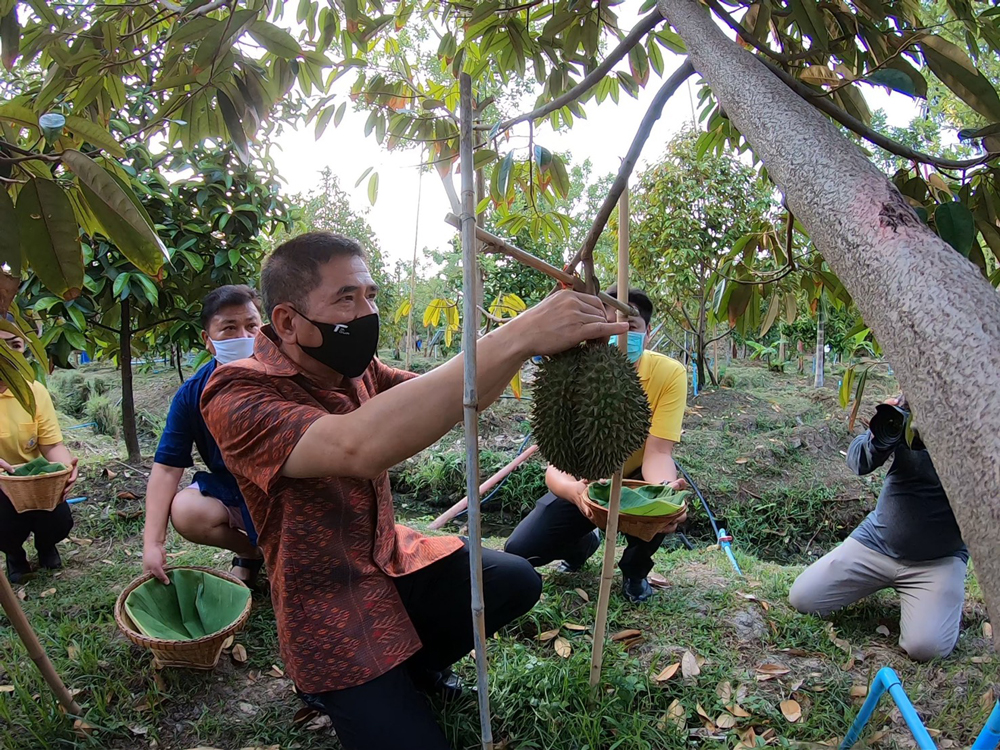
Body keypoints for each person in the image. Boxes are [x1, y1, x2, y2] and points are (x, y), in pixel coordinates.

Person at [200, 231, 625, 750]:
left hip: (388, 558)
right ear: (287, 321)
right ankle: (339, 689)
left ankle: (415, 667)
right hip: (326, 602)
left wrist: (536, 338)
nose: (365, 311)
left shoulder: (356, 370)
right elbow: (359, 445)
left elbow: (462, 394)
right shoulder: (235, 392)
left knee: (514, 580)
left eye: (370, 295)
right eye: (346, 298)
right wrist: (520, 334)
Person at [505, 286, 688, 603]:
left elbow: (658, 452)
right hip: (586, 478)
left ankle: (635, 571)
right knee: (519, 550)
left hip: (636, 479)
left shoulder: (669, 373)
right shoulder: (570, 371)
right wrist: (577, 493)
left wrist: (664, 491)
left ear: (646, 334)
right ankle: (582, 543)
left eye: (629, 327)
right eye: (607, 324)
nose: (618, 333)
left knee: (663, 503)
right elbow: (556, 467)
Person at [788, 395, 968, 661]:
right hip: (876, 543)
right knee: (803, 598)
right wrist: (885, 429)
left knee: (925, 648)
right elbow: (858, 462)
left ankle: (937, 601)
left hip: (937, 560)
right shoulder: (913, 409)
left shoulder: (981, 428)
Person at [142, 285, 265, 585]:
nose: (244, 337)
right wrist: (152, 543)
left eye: (252, 326)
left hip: (288, 490)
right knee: (187, 510)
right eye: (229, 328)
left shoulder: (288, 379)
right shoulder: (192, 395)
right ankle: (255, 553)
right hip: (234, 489)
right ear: (208, 341)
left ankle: (287, 555)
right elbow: (168, 467)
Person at [0, 318, 79, 583]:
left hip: (34, 483)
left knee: (59, 518)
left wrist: (65, 468)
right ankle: (14, 554)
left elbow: (52, 445)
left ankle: (46, 545)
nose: (6, 353)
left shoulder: (34, 393)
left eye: (14, 344)